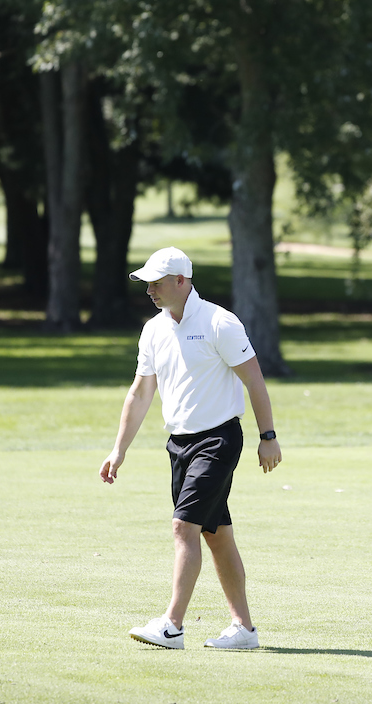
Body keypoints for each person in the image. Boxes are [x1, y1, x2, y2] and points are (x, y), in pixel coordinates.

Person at [100, 246, 282, 651]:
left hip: (218, 439)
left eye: (157, 283)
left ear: (181, 281)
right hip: (179, 444)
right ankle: (244, 630)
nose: (150, 290)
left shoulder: (220, 322)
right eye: (147, 284)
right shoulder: (154, 329)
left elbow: (254, 380)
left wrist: (267, 436)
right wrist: (119, 450)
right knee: (216, 536)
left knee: (185, 527)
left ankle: (172, 625)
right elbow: (141, 392)